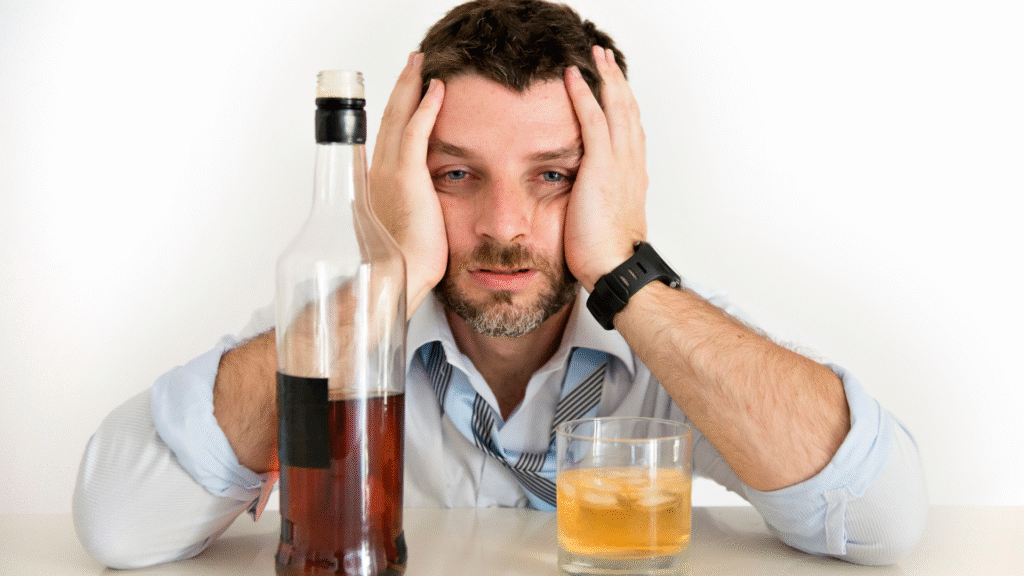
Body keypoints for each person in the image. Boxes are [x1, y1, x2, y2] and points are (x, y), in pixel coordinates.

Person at [73, 0, 928, 569]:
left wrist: (624, 268)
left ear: (611, 181)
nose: (504, 226)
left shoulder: (670, 341)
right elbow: (120, 521)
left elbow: (883, 518)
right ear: (404, 179)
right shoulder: (339, 330)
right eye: (456, 175)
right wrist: (395, 267)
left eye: (553, 176)